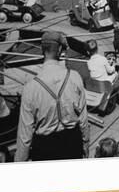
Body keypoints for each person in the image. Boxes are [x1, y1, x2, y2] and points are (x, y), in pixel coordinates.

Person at [15, 31, 90, 161]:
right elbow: (83, 119)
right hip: (72, 143)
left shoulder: (30, 87)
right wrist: (86, 144)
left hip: (45, 149)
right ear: (60, 49)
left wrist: (19, 161)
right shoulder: (75, 77)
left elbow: (25, 136)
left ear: (42, 50)